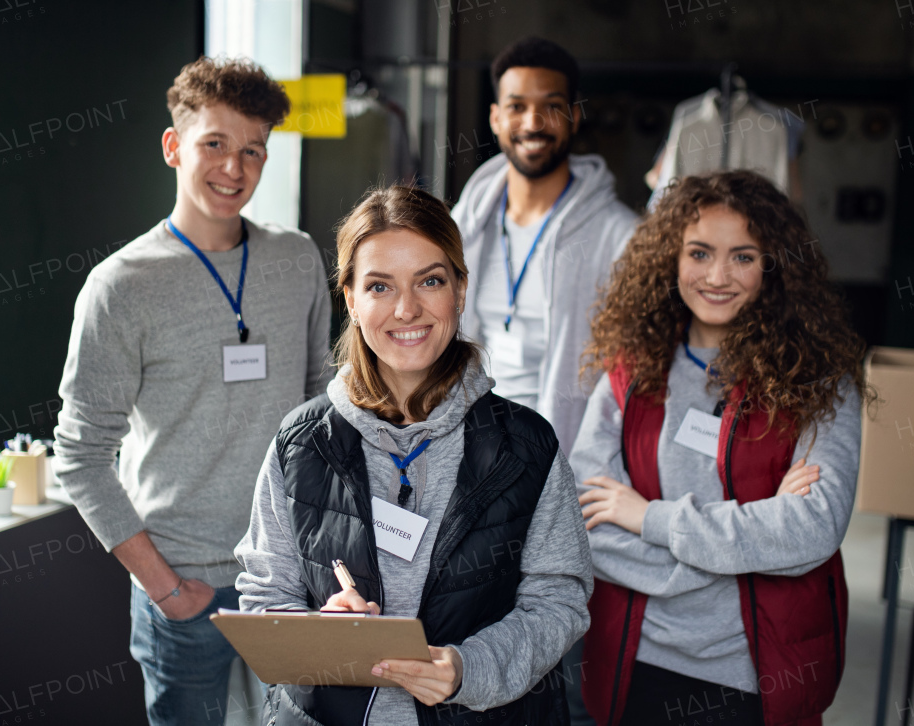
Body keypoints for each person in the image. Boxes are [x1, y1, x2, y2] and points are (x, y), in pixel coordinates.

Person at [234, 185, 593, 726]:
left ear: (461, 289)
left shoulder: (527, 445)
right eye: (380, 286)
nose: (407, 309)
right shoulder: (300, 443)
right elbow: (265, 595)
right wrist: (320, 634)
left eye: (430, 280)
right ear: (351, 300)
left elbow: (559, 599)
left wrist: (469, 668)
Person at [53, 57, 332, 726]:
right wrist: (167, 587)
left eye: (252, 150)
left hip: (289, 577)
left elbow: (324, 410)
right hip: (186, 588)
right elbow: (81, 457)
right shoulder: (121, 286)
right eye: (215, 144)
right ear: (174, 147)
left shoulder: (297, 261)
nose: (234, 168)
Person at [572, 171, 869, 726]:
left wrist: (650, 519)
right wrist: (748, 553)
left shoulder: (820, 382)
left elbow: (813, 529)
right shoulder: (630, 373)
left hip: (754, 674)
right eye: (700, 252)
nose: (716, 276)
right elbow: (585, 528)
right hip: (636, 663)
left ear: (774, 265)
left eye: (743, 257)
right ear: (671, 259)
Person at [452, 36, 638, 452]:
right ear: (496, 118)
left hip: (564, 452)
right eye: (517, 107)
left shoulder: (621, 236)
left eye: (551, 106)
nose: (533, 122)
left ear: (574, 116)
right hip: (470, 443)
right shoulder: (461, 227)